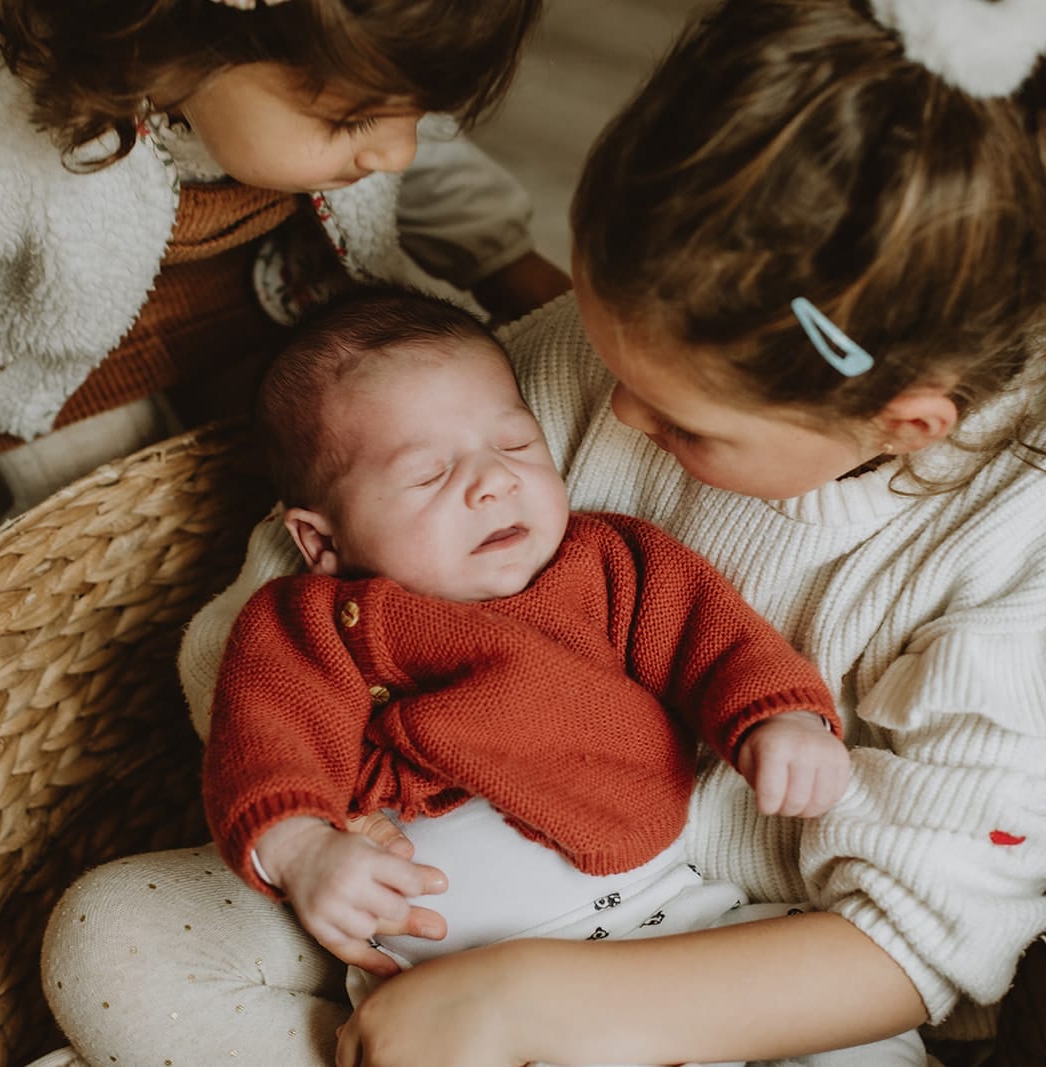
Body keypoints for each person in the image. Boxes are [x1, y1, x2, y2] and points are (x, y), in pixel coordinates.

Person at [45, 0, 1046, 1064]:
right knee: (111, 938)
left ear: (902, 421)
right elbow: (285, 607)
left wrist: (532, 1007)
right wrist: (318, 832)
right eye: (603, 361)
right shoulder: (602, 354)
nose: (612, 419)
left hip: (742, 948)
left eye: (686, 423)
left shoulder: (1033, 551)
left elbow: (925, 937)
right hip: (412, 879)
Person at [0, 0, 564, 677]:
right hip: (49, 366)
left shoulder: (341, 63)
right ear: (181, 35)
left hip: (273, 280)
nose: (398, 149)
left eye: (423, 111)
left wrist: (512, 271)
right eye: (352, 121)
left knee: (329, 509)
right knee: (131, 589)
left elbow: (419, 155)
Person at [202, 289, 876, 1067]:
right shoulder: (311, 622)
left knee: (852, 1035)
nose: (493, 482)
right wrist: (301, 848)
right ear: (320, 541)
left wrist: (780, 719)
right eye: (429, 474)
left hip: (671, 932)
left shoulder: (607, 562)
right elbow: (264, 739)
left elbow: (713, 637)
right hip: (449, 1009)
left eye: (517, 444)